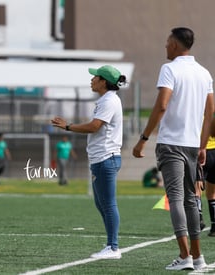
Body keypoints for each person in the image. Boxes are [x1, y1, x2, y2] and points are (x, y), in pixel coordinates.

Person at [132, 27, 214, 271]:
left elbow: (162, 105)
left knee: (176, 199)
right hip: (192, 145)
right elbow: (210, 113)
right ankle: (198, 257)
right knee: (191, 200)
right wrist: (202, 146)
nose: (165, 46)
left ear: (176, 45)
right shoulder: (204, 72)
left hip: (171, 144)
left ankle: (184, 255)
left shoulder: (169, 69)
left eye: (167, 42)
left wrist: (144, 138)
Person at [51, 64, 126, 260]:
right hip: (101, 158)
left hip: (106, 158)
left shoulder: (109, 101)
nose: (92, 80)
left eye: (95, 77)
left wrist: (68, 126)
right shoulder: (107, 100)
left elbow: (94, 127)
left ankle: (113, 247)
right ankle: (111, 243)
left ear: (104, 82)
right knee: (101, 204)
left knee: (108, 204)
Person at [204, 131, 215, 236]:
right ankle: (214, 226)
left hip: (203, 150)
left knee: (195, 189)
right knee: (212, 193)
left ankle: (198, 220)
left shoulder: (202, 115)